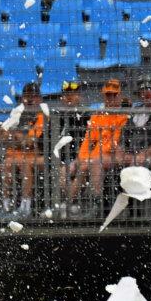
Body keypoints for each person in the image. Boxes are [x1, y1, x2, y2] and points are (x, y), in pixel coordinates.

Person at [65, 78, 130, 217]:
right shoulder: (97, 116)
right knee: (67, 169)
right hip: (96, 156)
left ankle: (88, 205)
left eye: (114, 95)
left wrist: (89, 159)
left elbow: (113, 144)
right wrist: (81, 159)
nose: (110, 98)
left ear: (119, 96)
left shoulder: (124, 116)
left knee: (90, 165)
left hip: (114, 157)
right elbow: (87, 141)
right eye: (108, 95)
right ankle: (67, 205)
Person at [0, 82, 45, 220]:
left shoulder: (42, 117)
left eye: (33, 96)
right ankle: (3, 208)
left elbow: (29, 142)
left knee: (21, 163)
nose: (30, 99)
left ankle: (25, 208)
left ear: (39, 99)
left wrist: (13, 137)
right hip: (12, 158)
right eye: (26, 96)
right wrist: (15, 138)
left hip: (32, 157)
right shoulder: (16, 115)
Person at [51, 79, 88, 217]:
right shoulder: (56, 117)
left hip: (81, 157)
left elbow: (89, 142)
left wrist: (77, 159)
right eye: (66, 94)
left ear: (80, 97)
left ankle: (67, 205)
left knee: (80, 169)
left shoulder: (86, 116)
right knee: (61, 170)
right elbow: (47, 142)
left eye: (73, 94)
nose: (69, 97)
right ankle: (70, 206)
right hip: (60, 158)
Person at [119, 75, 151, 169]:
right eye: (141, 92)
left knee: (137, 162)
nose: (144, 93)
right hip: (133, 154)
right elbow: (124, 135)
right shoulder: (135, 111)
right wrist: (121, 150)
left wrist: (143, 154)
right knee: (98, 161)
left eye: (148, 90)